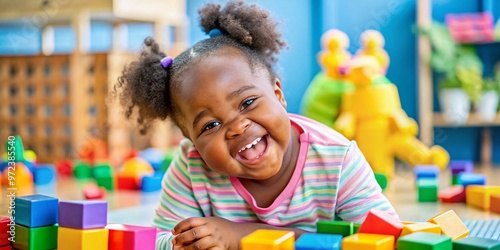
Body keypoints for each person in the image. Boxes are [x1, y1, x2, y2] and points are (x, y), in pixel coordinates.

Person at [113, 1, 398, 249]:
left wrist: (241, 236)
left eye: (247, 103)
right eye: (210, 125)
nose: (236, 127)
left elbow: (385, 238)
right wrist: (190, 243)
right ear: (191, 140)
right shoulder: (191, 166)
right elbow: (159, 239)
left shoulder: (337, 159)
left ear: (278, 95)